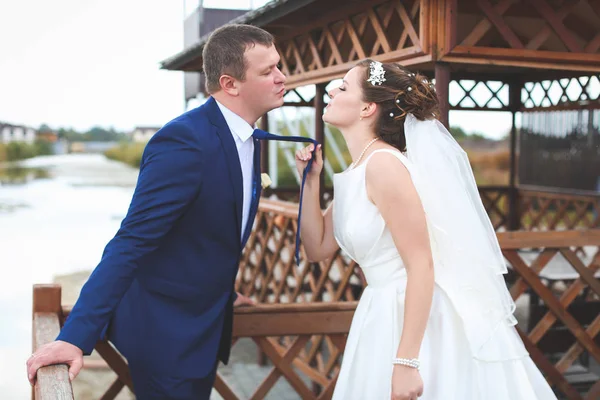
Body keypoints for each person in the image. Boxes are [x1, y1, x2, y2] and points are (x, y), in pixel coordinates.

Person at [27, 24, 287, 399]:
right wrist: (74, 337)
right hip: (166, 338)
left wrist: (222, 290)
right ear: (230, 84)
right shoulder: (185, 141)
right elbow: (131, 242)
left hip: (207, 325)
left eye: (278, 66)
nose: (282, 78)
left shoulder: (248, 137)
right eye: (268, 71)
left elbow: (210, 232)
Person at [295, 60, 558, 400]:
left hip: (415, 319)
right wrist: (310, 181)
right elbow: (316, 248)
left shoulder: (384, 166)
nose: (331, 90)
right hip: (378, 310)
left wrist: (406, 361)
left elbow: (422, 265)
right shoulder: (360, 167)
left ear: (367, 108)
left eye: (343, 87)